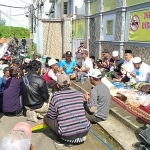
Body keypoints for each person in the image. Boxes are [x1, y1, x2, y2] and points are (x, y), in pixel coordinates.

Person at [44, 74, 90, 144]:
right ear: (70, 84)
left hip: (67, 136)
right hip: (84, 132)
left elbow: (51, 116)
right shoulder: (79, 94)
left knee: (46, 118)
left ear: (57, 85)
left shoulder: (55, 96)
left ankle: (60, 139)